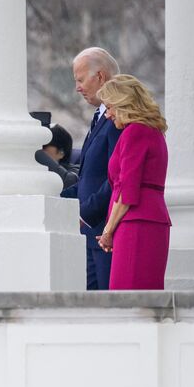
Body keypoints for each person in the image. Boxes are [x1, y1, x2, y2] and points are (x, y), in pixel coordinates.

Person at [96, 75, 171, 290]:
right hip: (150, 220)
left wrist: (108, 231)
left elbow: (127, 189)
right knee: (145, 295)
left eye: (110, 107)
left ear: (123, 104)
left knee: (127, 298)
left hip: (135, 223)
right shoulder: (154, 132)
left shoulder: (135, 132)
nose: (108, 114)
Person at [61, 47, 123, 290]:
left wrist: (84, 215)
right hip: (89, 235)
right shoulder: (99, 116)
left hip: (105, 233)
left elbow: (116, 176)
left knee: (107, 308)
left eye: (80, 79)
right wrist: (52, 196)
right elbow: (89, 178)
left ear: (100, 76)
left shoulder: (116, 118)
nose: (77, 87)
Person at [35, 124, 79, 189]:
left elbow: (68, 181)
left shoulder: (77, 172)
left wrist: (36, 152)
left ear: (61, 153)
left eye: (44, 146)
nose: (41, 149)